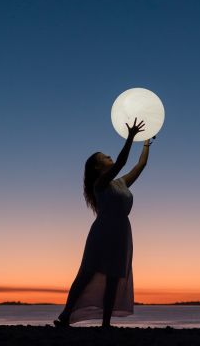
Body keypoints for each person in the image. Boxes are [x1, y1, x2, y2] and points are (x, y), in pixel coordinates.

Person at [54, 118, 152, 328]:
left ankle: (106, 324)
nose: (109, 157)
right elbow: (121, 163)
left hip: (122, 232)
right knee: (87, 273)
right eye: (105, 156)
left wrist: (145, 144)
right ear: (98, 166)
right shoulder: (100, 183)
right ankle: (66, 315)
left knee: (114, 278)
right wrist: (130, 137)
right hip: (103, 231)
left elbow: (140, 165)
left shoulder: (121, 182)